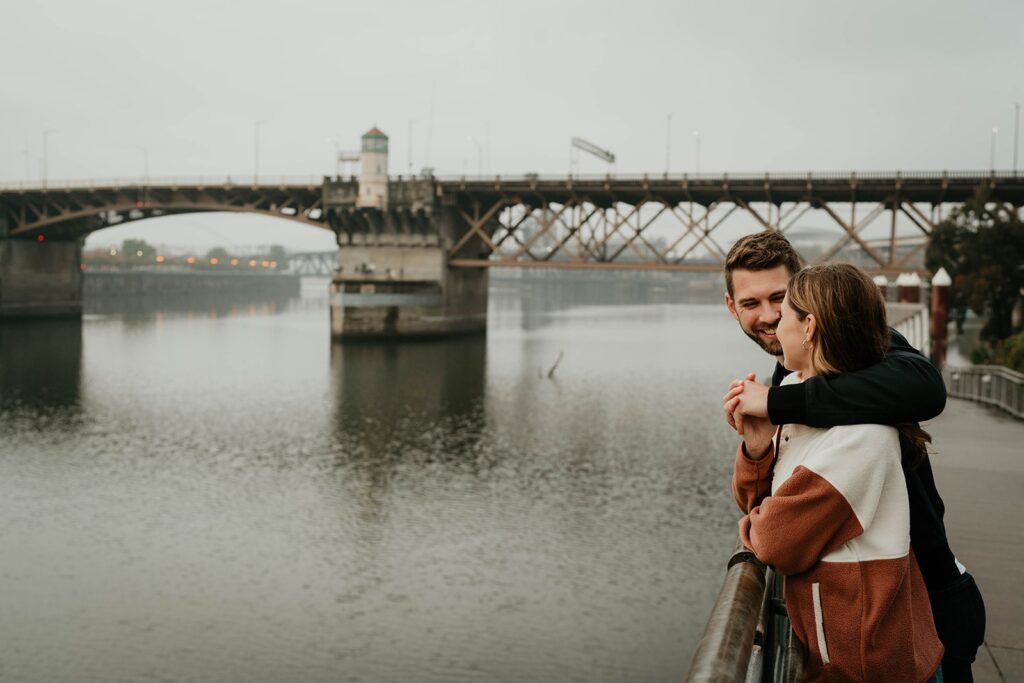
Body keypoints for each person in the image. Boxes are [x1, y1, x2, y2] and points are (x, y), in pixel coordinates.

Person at [721, 231, 985, 682]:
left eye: (779, 301)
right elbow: (773, 502)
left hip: (925, 594)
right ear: (731, 307)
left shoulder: (858, 345)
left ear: (806, 313)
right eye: (751, 304)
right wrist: (757, 446)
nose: (767, 316)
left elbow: (925, 386)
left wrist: (775, 405)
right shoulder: (789, 374)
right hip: (871, 613)